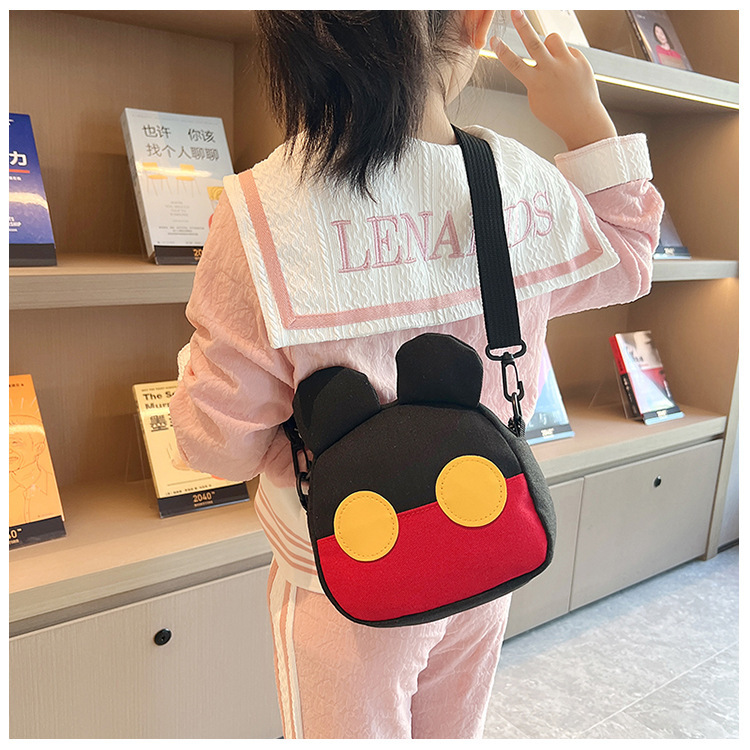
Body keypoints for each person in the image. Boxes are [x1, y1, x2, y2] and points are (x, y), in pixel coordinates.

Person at [169, 9, 663, 739]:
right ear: (476, 24)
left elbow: (217, 443)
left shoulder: (257, 213)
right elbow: (629, 257)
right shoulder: (520, 183)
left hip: (345, 573)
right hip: (487, 537)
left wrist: (283, 442)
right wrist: (586, 121)